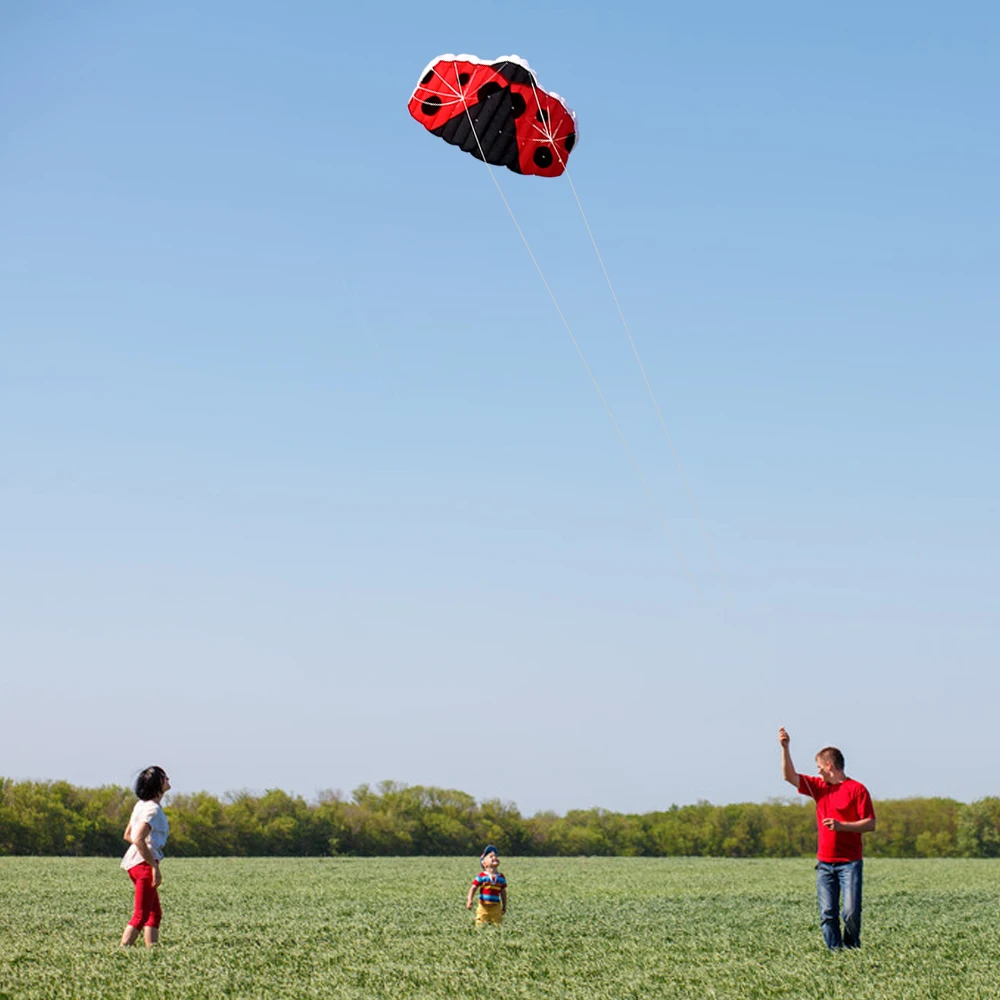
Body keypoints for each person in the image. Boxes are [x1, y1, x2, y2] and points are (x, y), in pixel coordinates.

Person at [779, 727, 875, 950]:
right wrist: (785, 748)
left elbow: (870, 823)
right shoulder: (819, 788)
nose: (818, 771)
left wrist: (842, 826)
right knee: (827, 913)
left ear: (829, 766)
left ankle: (851, 949)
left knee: (850, 913)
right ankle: (835, 954)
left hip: (850, 863)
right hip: (824, 864)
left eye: (819, 767)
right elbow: (788, 776)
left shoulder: (857, 790)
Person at [119, 765, 171, 948]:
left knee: (154, 913)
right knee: (140, 915)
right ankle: (122, 950)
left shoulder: (141, 805)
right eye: (165, 778)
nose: (168, 780)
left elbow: (128, 835)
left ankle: (152, 952)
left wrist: (144, 848)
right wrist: (154, 866)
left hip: (135, 862)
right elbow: (137, 837)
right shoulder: (153, 810)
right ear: (157, 784)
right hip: (143, 865)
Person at [466, 844, 507, 926]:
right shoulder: (481, 876)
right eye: (491, 856)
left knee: (497, 925)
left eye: (495, 856)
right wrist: (469, 900)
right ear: (484, 864)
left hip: (496, 907)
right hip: (483, 907)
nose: (494, 857)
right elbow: (473, 888)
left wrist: (504, 906)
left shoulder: (501, 877)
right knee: (480, 924)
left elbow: (503, 892)